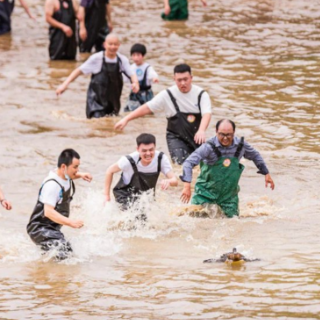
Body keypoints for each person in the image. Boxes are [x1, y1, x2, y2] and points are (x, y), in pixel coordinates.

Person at [115, 63, 212, 165]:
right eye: (179, 80)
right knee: (181, 165)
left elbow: (207, 114)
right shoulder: (167, 94)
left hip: (197, 136)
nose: (183, 83)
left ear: (191, 78)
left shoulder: (201, 94)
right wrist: (126, 119)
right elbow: (147, 107)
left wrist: (201, 130)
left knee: (203, 166)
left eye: (185, 79)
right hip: (176, 137)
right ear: (174, 79)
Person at [180, 119, 275, 218]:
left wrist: (266, 173)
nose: (225, 138)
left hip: (229, 198)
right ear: (216, 132)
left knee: (232, 223)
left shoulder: (241, 145)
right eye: (222, 134)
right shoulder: (208, 147)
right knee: (197, 221)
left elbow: (255, 156)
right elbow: (188, 162)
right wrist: (187, 186)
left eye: (228, 135)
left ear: (234, 133)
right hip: (205, 195)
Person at [27, 149, 92, 260]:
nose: (77, 170)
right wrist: (71, 222)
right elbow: (48, 211)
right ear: (63, 167)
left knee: (57, 256)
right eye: (75, 167)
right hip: (39, 228)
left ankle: (41, 272)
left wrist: (80, 175)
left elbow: (69, 176)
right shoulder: (52, 185)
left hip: (51, 227)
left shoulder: (63, 175)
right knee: (65, 252)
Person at [56, 34, 140, 118]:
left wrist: (135, 83)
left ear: (119, 45)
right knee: (97, 122)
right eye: (110, 44)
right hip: (95, 102)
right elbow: (79, 71)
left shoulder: (122, 60)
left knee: (111, 123)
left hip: (113, 101)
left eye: (115, 44)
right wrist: (64, 85)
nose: (113, 47)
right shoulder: (96, 58)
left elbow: (132, 74)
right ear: (104, 44)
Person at [105, 133, 178, 210]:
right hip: (124, 194)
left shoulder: (161, 159)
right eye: (144, 151)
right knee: (137, 216)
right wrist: (106, 195)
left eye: (151, 150)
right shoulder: (128, 160)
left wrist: (169, 181)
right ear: (137, 149)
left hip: (145, 196)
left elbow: (175, 181)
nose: (148, 153)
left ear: (155, 147)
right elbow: (109, 171)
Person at [124, 43, 159, 112]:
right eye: (134, 55)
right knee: (130, 110)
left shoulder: (147, 67)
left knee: (148, 111)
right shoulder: (131, 68)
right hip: (134, 93)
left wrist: (154, 78)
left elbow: (152, 74)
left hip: (146, 93)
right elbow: (125, 79)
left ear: (143, 56)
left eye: (138, 55)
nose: (136, 58)